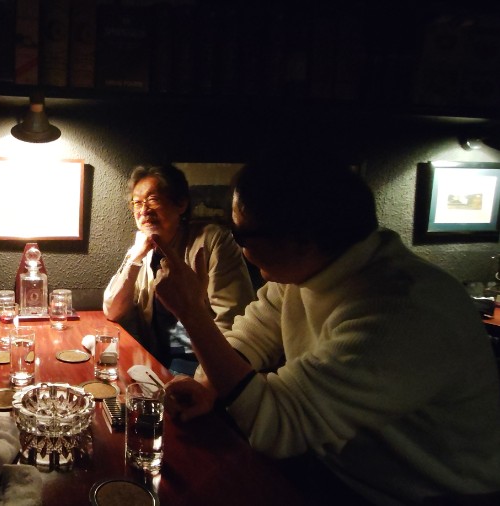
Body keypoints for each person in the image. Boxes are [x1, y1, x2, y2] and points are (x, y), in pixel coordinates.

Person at [157, 159, 500, 504]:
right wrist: (208, 385)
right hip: (336, 463)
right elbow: (252, 336)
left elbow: (277, 425)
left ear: (301, 241)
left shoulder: (405, 311)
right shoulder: (305, 269)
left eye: (241, 235)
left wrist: (192, 313)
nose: (241, 249)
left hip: (422, 493)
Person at [102, 164, 255, 375]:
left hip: (202, 364)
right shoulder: (142, 249)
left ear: (181, 204)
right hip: (157, 361)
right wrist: (135, 258)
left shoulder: (212, 241)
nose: (143, 211)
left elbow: (233, 320)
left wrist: (209, 379)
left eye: (153, 200)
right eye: (137, 203)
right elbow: (113, 309)